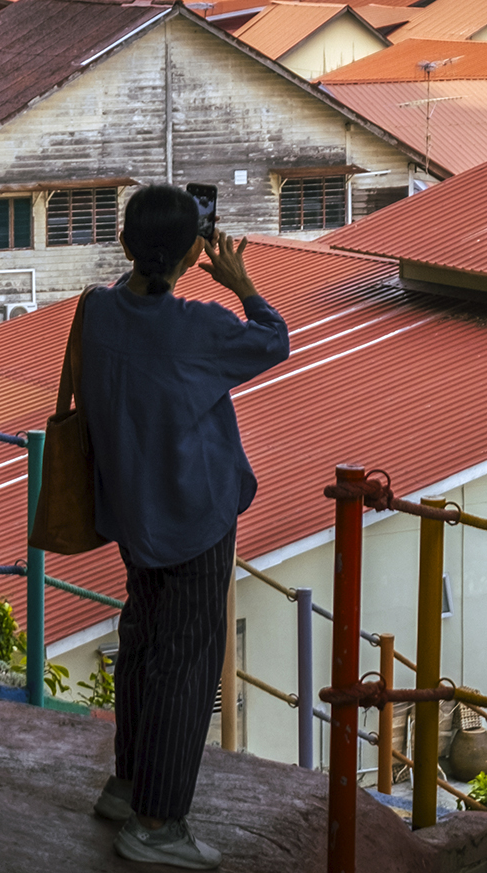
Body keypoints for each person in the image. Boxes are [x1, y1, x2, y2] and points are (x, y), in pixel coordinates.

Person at [81, 184, 291, 869]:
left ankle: (127, 785)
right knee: (187, 666)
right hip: (195, 519)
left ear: (124, 244)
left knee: (143, 646)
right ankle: (156, 824)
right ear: (196, 251)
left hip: (133, 516)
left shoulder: (96, 312)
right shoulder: (199, 326)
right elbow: (274, 341)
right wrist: (242, 283)